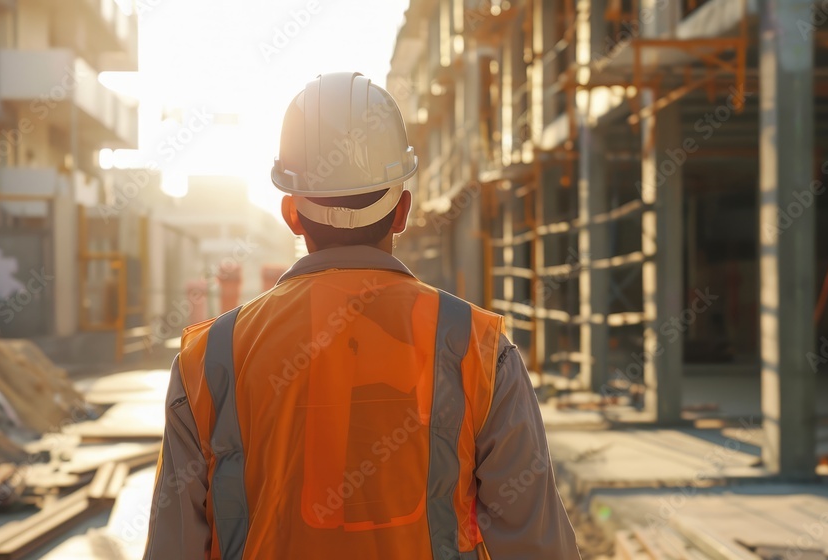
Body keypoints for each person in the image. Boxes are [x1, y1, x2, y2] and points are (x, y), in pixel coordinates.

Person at [143, 72, 580, 560]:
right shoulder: (477, 349)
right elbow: (539, 548)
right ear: (402, 212)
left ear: (291, 213)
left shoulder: (210, 358)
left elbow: (172, 547)